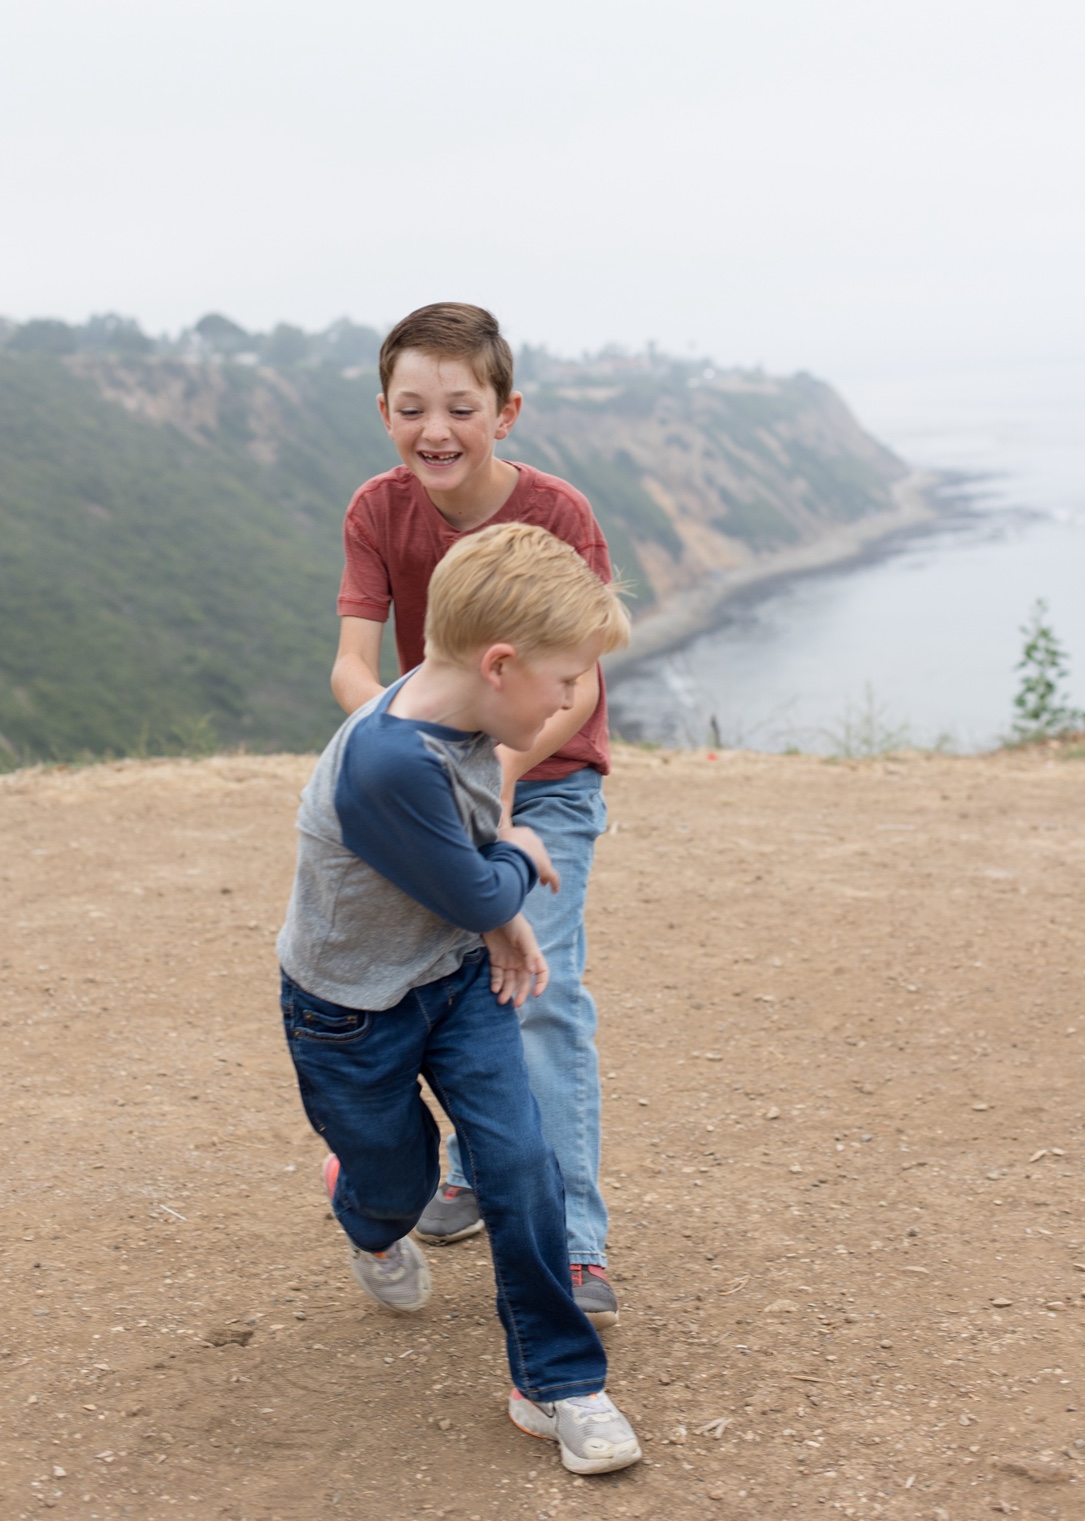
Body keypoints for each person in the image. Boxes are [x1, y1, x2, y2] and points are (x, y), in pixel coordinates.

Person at [277, 524, 641, 1475]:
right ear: (501, 663)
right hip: (350, 1013)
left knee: (522, 1164)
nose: (574, 702)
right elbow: (480, 873)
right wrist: (518, 867)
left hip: (455, 981)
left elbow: (464, 872)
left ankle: (557, 1380)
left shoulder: (469, 713)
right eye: (565, 682)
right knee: (397, 1183)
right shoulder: (389, 758)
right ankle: (361, 1205)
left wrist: (498, 922)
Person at [331, 303, 620, 1325]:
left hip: (544, 773)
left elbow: (578, 684)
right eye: (413, 408)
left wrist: (490, 777)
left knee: (536, 984)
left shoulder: (558, 513)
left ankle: (576, 1242)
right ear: (385, 411)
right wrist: (407, 765)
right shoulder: (378, 508)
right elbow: (353, 666)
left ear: (507, 410)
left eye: (461, 405)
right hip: (435, 768)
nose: (436, 428)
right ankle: (463, 1171)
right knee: (439, 982)